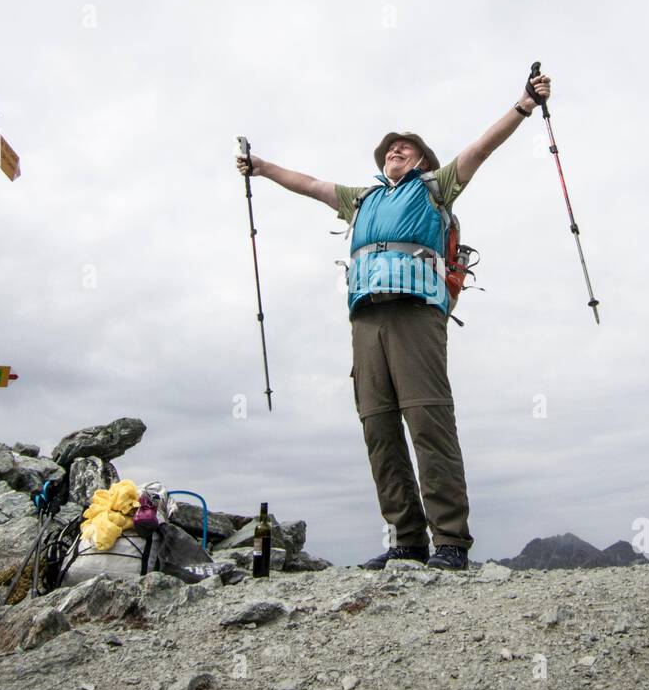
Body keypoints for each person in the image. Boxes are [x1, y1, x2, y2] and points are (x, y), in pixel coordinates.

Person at [235, 70, 553, 570]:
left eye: (405, 148)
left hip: (416, 314)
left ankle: (450, 541)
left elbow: (481, 149)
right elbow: (307, 183)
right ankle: (405, 541)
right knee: (378, 427)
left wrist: (523, 105)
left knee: (428, 419)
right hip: (366, 320)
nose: (395, 152)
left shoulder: (436, 187)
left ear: (422, 158)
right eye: (390, 149)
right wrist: (259, 167)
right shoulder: (359, 199)